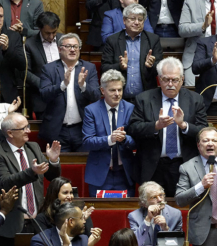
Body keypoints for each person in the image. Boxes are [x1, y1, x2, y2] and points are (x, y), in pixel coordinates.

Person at [127, 57, 208, 198]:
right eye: (165, 79)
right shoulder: (144, 99)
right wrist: (155, 126)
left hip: (184, 164)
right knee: (152, 209)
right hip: (153, 166)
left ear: (182, 79)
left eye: (175, 80)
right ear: (159, 79)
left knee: (183, 208)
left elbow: (204, 132)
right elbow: (133, 128)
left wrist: (184, 126)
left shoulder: (195, 100)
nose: (170, 84)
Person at [0, 112, 61, 246]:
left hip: (38, 222)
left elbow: (52, 177)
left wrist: (53, 161)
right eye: (24, 128)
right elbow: (5, 182)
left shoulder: (34, 148)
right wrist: (31, 171)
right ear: (10, 133)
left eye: (28, 126)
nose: (29, 131)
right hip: (11, 225)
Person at [39, 33, 99, 152]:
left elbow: (96, 96)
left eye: (75, 47)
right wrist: (63, 85)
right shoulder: (49, 69)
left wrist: (83, 85)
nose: (72, 50)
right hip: (58, 131)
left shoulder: (89, 68)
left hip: (82, 129)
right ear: (59, 49)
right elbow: (44, 95)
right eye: (68, 46)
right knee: (59, 167)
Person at [81, 69, 136, 197]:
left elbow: (137, 141)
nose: (117, 94)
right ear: (102, 91)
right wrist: (110, 139)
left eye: (120, 90)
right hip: (100, 176)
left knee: (125, 213)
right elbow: (87, 142)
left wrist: (124, 139)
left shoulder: (130, 109)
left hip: (125, 175)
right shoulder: (91, 110)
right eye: (112, 90)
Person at [101, 3, 162, 100]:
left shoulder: (153, 40)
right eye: (133, 19)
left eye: (140, 19)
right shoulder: (112, 40)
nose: (137, 22)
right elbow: (104, 68)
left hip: (146, 98)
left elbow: (160, 69)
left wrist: (150, 66)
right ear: (124, 20)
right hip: (120, 98)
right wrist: (119, 66)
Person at [24, 12, 62, 120]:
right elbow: (26, 72)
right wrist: (44, 85)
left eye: (54, 32)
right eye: (47, 33)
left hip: (65, 96)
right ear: (40, 29)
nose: (51, 36)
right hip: (42, 99)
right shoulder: (29, 44)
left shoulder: (64, 40)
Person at [128, 181, 183, 246]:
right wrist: (147, 219)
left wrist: (166, 229)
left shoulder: (175, 214)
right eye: (154, 197)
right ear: (144, 203)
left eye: (161, 195)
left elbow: (179, 244)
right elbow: (135, 243)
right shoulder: (134, 216)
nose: (160, 200)